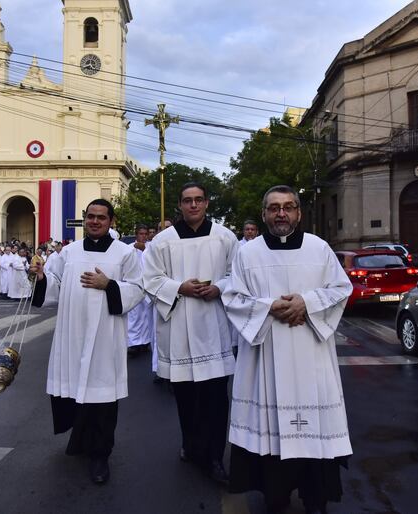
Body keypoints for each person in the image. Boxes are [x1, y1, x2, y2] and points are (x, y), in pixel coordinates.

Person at [222, 185, 353, 514]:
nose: (281, 213)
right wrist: (271, 308)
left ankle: (316, 499)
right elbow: (233, 298)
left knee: (315, 430)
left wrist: (306, 303)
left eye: (288, 206)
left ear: (299, 213)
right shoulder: (247, 254)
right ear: (264, 213)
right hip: (264, 354)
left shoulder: (319, 248)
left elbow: (341, 288)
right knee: (269, 433)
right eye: (274, 207)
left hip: (311, 352)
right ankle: (275, 494)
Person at [30, 199, 144, 484]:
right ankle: (80, 439)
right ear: (85, 219)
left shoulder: (125, 254)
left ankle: (101, 455)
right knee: (77, 391)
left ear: (111, 221)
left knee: (102, 395)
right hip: (73, 331)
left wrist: (110, 285)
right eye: (90, 216)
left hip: (106, 334)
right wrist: (41, 277)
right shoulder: (69, 251)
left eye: (101, 217)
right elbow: (54, 284)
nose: (95, 221)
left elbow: (138, 288)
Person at [143, 182, 238, 484]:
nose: (193, 205)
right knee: (187, 400)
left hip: (214, 328)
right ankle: (191, 446)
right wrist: (179, 287)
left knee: (216, 400)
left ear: (207, 203)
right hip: (180, 330)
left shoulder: (225, 237)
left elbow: (239, 275)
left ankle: (214, 457)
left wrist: (219, 287)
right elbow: (149, 279)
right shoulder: (163, 241)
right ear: (180, 205)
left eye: (198, 200)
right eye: (187, 200)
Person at [126, 225, 152, 356]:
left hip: (148, 285)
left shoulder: (151, 247)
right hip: (134, 284)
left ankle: (145, 341)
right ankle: (133, 343)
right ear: (136, 235)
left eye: (146, 234)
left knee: (147, 315)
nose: (143, 236)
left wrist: (145, 249)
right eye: (141, 234)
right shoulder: (129, 248)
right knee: (134, 315)